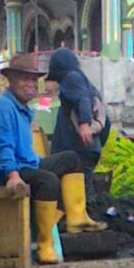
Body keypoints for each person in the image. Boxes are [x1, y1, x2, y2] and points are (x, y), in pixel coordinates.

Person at [0, 52, 105, 265]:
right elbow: (5, 147)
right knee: (48, 180)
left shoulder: (23, 110)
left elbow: (26, 153)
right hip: (10, 172)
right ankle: (43, 243)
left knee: (71, 159)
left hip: (29, 164)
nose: (30, 84)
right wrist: (12, 176)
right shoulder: (3, 108)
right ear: (10, 80)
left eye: (32, 80)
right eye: (24, 79)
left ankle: (77, 218)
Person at [45, 46, 111, 202]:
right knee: (82, 190)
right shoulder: (89, 87)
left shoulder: (71, 78)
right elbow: (105, 123)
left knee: (82, 195)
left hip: (77, 150)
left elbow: (82, 100)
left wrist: (84, 124)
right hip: (88, 149)